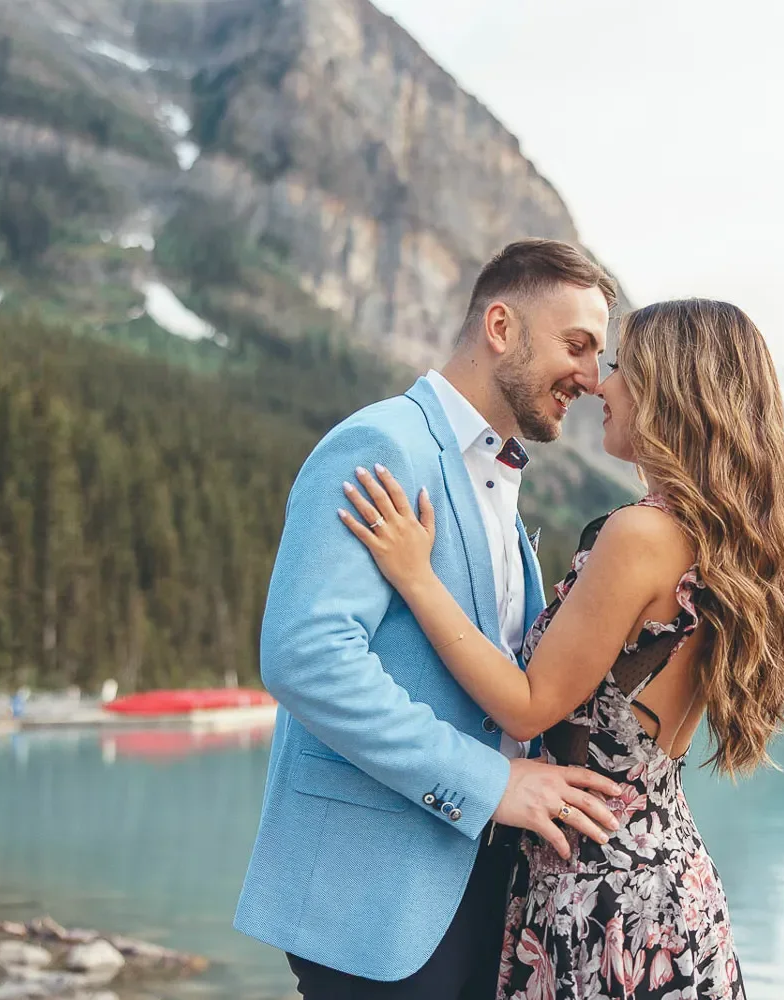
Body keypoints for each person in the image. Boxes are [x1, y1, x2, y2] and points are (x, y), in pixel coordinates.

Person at [339, 298, 784, 999]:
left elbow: (529, 707)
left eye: (623, 366)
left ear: (674, 390)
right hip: (661, 880)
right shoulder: (716, 538)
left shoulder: (641, 536)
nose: (601, 384)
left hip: (605, 896)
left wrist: (416, 577)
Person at [235, 239, 628, 998]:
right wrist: (489, 783)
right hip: (372, 891)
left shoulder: (496, 471)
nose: (590, 375)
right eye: (577, 346)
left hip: (476, 881)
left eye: (599, 354)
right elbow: (305, 657)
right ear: (502, 327)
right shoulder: (381, 443)